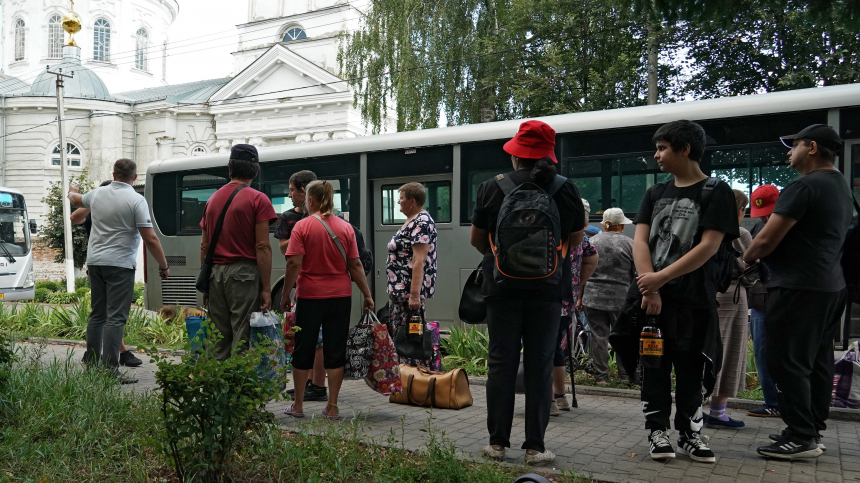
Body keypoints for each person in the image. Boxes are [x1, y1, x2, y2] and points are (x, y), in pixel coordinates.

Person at [471, 120, 585, 465]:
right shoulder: (565, 189)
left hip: (501, 289)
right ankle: (535, 447)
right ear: (548, 155)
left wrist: (506, 257)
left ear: (515, 155)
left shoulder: (493, 187)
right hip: (548, 291)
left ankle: (496, 444)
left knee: (501, 363)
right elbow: (576, 239)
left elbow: (478, 240)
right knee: (540, 364)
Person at [632, 120, 739, 463]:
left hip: (695, 300)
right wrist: (650, 287)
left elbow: (709, 246)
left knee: (692, 368)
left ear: (685, 149)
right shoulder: (654, 193)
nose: (656, 155)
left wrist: (659, 279)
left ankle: (690, 435)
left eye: (663, 148)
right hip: (654, 301)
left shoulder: (716, 191)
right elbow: (640, 241)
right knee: (655, 365)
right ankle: (657, 432)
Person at [743, 124, 851, 459]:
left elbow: (766, 238)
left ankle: (802, 438)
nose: (789, 151)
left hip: (797, 288)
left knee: (785, 361)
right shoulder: (841, 186)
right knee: (817, 361)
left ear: (813, 147)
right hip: (830, 286)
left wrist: (746, 258)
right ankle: (809, 428)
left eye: (795, 145)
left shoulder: (804, 187)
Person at [67, 159, 171, 383]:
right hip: (120, 265)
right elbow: (150, 238)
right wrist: (163, 265)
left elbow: (75, 202)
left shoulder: (97, 194)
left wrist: (71, 191)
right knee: (115, 317)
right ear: (134, 177)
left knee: (97, 315)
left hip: (95, 263)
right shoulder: (136, 200)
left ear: (113, 174)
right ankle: (109, 370)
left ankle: (93, 365)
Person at [280, 180, 374, 420]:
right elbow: (355, 265)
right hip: (340, 297)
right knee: (335, 350)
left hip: (310, 296)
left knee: (303, 349)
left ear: (310, 199)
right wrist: (367, 294)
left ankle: (298, 406)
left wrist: (285, 294)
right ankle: (332, 407)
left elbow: (293, 263)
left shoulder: (302, 227)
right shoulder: (346, 228)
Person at [199, 144, 277, 361]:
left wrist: (206, 282)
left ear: (229, 168)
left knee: (218, 337)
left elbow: (204, 246)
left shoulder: (212, 200)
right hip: (243, 274)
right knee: (242, 336)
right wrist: (267, 288)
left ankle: (217, 387)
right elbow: (262, 246)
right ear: (256, 170)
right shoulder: (258, 199)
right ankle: (237, 391)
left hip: (215, 273)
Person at [71, 180, 141, 368]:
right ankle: (115, 358)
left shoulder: (109, 209)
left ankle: (96, 357)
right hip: (112, 265)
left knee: (103, 315)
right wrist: (92, 201)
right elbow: (75, 218)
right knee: (112, 316)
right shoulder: (95, 208)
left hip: (98, 264)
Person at [275, 170, 328, 403]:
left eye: (292, 190)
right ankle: (307, 384)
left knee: (317, 338)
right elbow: (283, 249)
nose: (289, 195)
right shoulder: (288, 218)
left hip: (316, 284)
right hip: (301, 282)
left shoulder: (326, 218)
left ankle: (317, 385)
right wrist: (303, 232)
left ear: (304, 192)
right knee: (305, 336)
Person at [705, 190, 753, 428]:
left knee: (708, 349)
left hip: (708, 294)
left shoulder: (706, 229)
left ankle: (696, 407)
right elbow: (752, 271)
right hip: (733, 297)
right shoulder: (740, 233)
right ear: (739, 210)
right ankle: (718, 411)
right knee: (730, 349)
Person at [551, 199, 597, 417]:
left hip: (547, 300)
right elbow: (592, 258)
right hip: (567, 300)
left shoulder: (551, 234)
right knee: (556, 348)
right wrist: (578, 285)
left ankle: (548, 399)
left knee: (543, 349)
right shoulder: (582, 239)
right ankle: (560, 398)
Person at [386, 182, 439, 367]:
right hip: (399, 292)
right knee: (402, 338)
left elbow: (419, 260)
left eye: (401, 198)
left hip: (408, 293)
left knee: (410, 339)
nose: (399, 202)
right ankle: (405, 380)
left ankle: (414, 380)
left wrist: (415, 296)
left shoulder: (422, 222)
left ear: (412, 201)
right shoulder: (412, 220)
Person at [582, 208, 634, 386]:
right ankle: (625, 377)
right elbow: (636, 273)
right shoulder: (630, 244)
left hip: (592, 297)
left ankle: (601, 378)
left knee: (598, 336)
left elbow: (582, 271)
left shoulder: (591, 242)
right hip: (621, 299)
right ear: (619, 225)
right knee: (621, 336)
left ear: (605, 224)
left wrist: (580, 298)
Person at [744, 184, 781, 418]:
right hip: (761, 299)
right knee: (762, 351)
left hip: (779, 297)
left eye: (769, 211)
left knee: (777, 353)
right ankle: (773, 402)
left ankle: (779, 402)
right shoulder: (759, 226)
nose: (766, 217)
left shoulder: (787, 226)